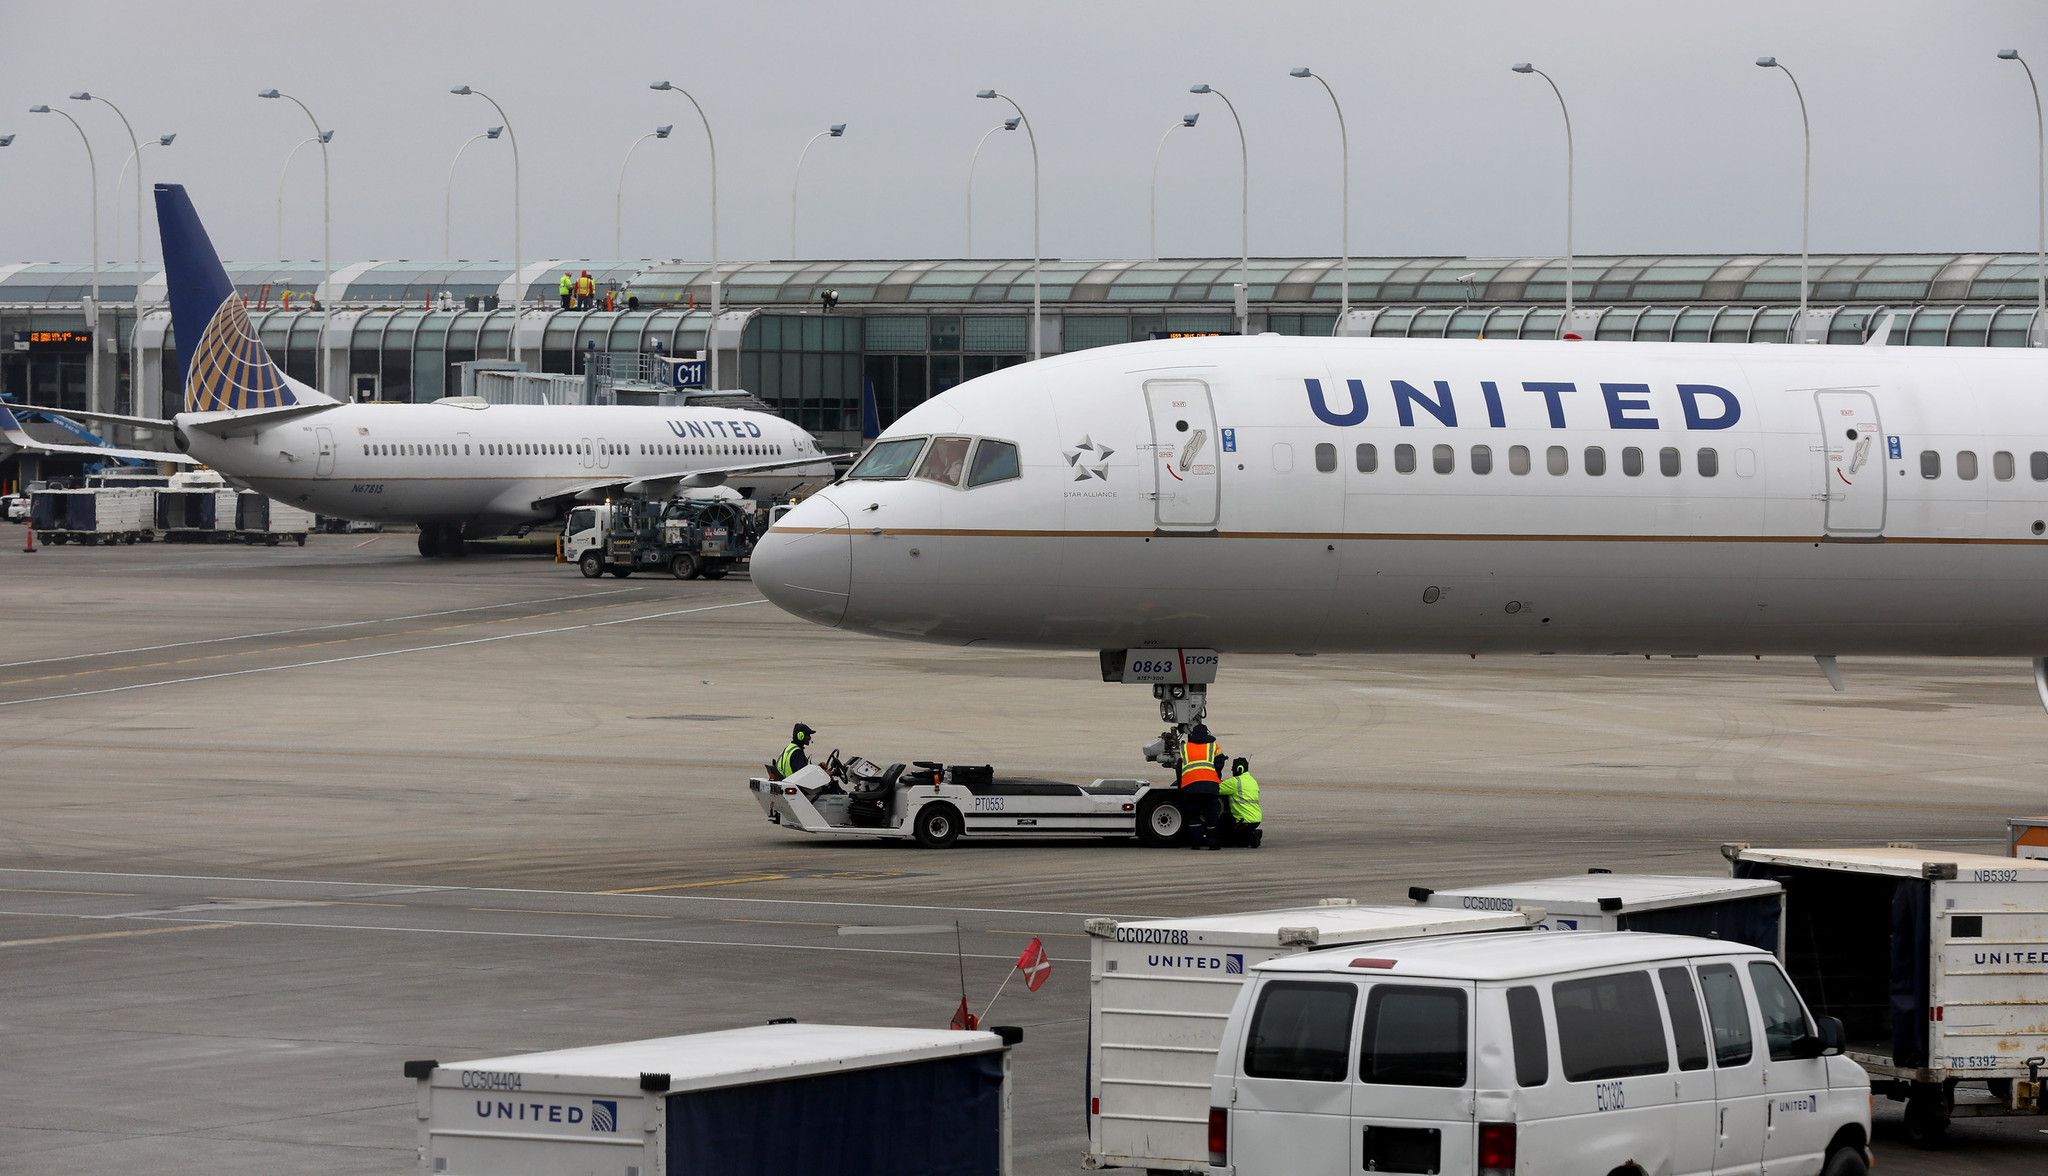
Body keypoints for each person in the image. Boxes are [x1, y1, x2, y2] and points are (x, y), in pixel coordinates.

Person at [1177, 723, 1224, 850]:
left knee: (1193, 816)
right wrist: (1216, 777)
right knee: (1211, 816)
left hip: (1191, 787)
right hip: (1210, 787)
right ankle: (1213, 843)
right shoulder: (1213, 746)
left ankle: (1196, 843)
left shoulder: (1185, 748)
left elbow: (1179, 768)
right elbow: (1220, 763)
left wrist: (1181, 785)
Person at [1219, 756, 1262, 848]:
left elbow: (1215, 789)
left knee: (1225, 840)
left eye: (1232, 769)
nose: (1232, 771)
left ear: (1239, 769)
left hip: (1243, 821)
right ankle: (1251, 834)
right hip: (1256, 819)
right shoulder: (1252, 781)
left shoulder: (1235, 782)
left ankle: (1251, 837)